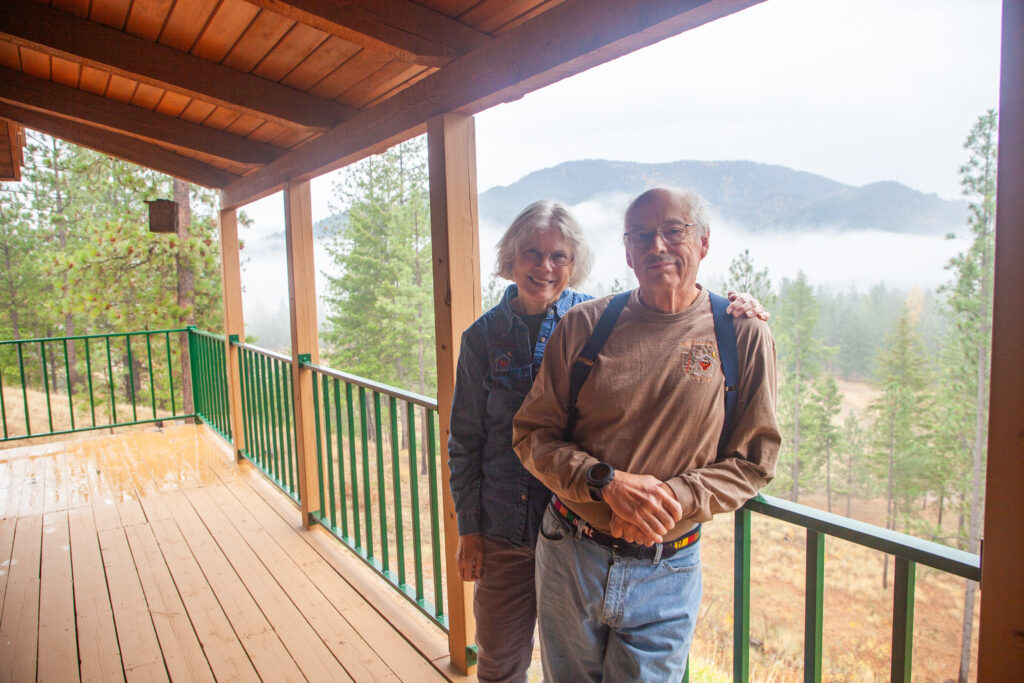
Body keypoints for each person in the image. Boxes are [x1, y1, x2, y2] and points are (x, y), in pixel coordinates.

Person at [447, 199, 767, 682]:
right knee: (500, 661)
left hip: (625, 543)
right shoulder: (490, 337)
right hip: (518, 531)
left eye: (559, 257)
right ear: (510, 257)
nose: (545, 266)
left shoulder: (593, 320)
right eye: (532, 253)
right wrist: (470, 529)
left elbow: (751, 455)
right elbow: (469, 440)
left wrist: (736, 311)